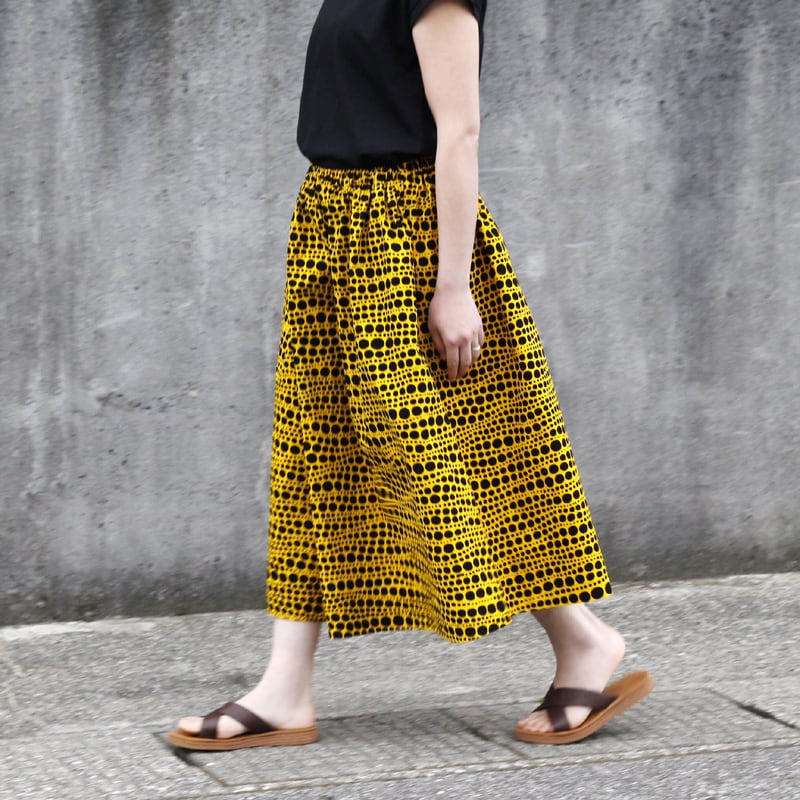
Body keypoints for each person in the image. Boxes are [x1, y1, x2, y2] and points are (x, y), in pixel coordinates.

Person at [168, 0, 652, 751]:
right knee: (313, 453)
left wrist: (452, 285)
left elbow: (459, 131)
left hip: (404, 240)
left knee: (439, 458)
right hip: (331, 230)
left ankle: (583, 638)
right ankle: (285, 687)